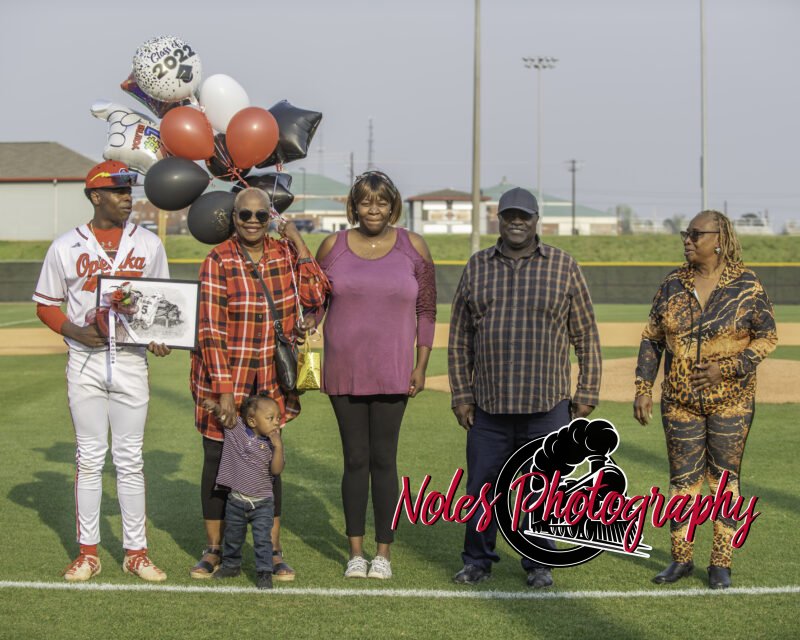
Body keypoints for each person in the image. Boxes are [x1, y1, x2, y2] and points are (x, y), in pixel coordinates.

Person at [448, 187, 601, 588]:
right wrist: (462, 395)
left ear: (536, 220)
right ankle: (477, 560)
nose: (517, 222)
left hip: (546, 403)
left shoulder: (563, 266)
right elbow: (460, 338)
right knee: (482, 488)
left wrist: (586, 392)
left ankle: (538, 562)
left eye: (524, 216)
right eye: (509, 216)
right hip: (489, 407)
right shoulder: (477, 266)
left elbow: (586, 334)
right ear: (498, 219)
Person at [33, 160, 171, 582]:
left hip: (130, 361)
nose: (128, 197)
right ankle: (88, 554)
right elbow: (44, 304)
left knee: (130, 459)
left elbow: (162, 303)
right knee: (90, 459)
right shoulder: (65, 246)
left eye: (129, 189)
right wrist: (74, 330)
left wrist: (160, 335)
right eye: (118, 190)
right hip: (86, 360)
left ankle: (136, 553)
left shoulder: (148, 244)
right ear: (96, 196)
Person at [190, 187, 330, 581]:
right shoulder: (217, 259)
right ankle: (214, 549)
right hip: (226, 377)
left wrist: (298, 239)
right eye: (244, 215)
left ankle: (272, 551)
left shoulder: (285, 254)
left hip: (270, 379)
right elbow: (211, 330)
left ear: (271, 217)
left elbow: (318, 293)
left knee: (270, 464)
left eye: (260, 216)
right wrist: (224, 391)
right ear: (232, 218)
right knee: (218, 463)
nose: (252, 222)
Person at [634, 210, 777, 590]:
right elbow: (652, 338)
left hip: (731, 402)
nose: (688, 240)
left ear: (719, 238)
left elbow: (767, 337)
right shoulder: (672, 284)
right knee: (683, 482)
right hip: (680, 402)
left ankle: (720, 564)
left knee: (723, 482)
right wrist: (643, 387)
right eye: (686, 233)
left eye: (696, 234)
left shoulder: (747, 285)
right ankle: (680, 560)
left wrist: (728, 368)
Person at [315, 170, 436, 580]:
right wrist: (303, 321)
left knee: (384, 460)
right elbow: (315, 302)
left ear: (393, 205)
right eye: (366, 201)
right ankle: (355, 551)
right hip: (343, 368)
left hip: (394, 370)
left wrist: (421, 365)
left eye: (381, 202)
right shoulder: (332, 245)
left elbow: (426, 310)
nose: (374, 209)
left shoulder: (413, 247)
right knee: (354, 459)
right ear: (354, 205)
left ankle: (383, 552)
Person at [203, 394, 284, 590]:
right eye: (270, 418)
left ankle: (264, 572)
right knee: (233, 536)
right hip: (236, 501)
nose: (276, 423)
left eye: (278, 418)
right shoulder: (237, 430)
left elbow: (276, 470)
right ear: (252, 420)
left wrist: (279, 447)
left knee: (263, 540)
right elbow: (224, 416)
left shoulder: (273, 444)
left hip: (262, 504)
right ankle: (231, 565)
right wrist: (214, 407)